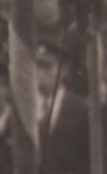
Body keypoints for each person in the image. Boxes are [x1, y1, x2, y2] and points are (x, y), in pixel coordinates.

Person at [35, 39, 89, 174]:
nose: (39, 73)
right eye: (36, 66)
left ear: (64, 70)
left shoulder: (82, 110)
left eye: (46, 67)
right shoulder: (22, 107)